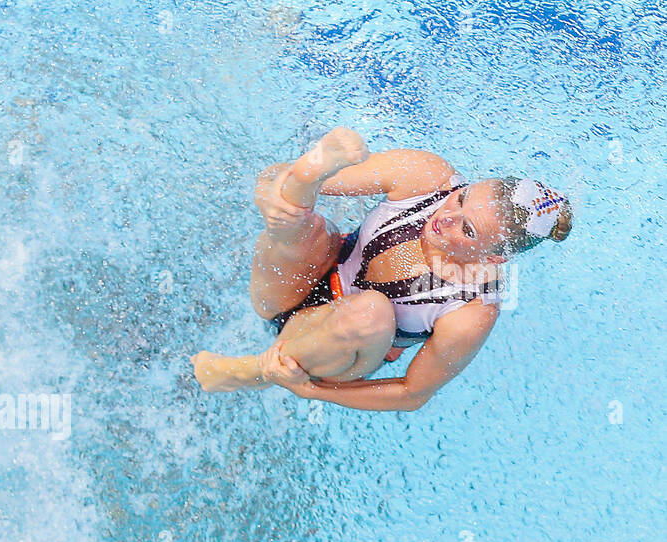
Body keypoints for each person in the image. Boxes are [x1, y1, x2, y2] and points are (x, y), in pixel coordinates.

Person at [191, 127, 573, 410]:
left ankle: (251, 371)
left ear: (493, 259)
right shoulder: (427, 176)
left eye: (467, 229)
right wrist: (271, 194)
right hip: (297, 283)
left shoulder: (472, 310)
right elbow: (275, 174)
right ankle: (307, 180)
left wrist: (308, 390)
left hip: (330, 353)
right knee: (306, 223)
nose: (446, 217)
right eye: (464, 197)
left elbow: (412, 393)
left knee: (370, 311)